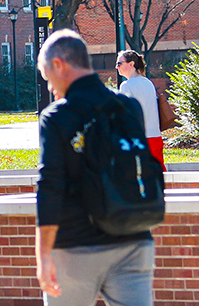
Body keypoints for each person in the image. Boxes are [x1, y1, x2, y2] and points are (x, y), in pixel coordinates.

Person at [36, 30, 155, 306]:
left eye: (47, 78)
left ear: (59, 65)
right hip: (133, 239)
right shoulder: (128, 107)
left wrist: (43, 255)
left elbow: (50, 186)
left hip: (76, 244)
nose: (50, 88)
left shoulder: (57, 117)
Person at [117, 50, 163, 167]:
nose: (117, 67)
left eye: (119, 63)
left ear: (131, 64)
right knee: (158, 174)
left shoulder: (126, 86)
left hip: (137, 139)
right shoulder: (148, 83)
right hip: (155, 135)